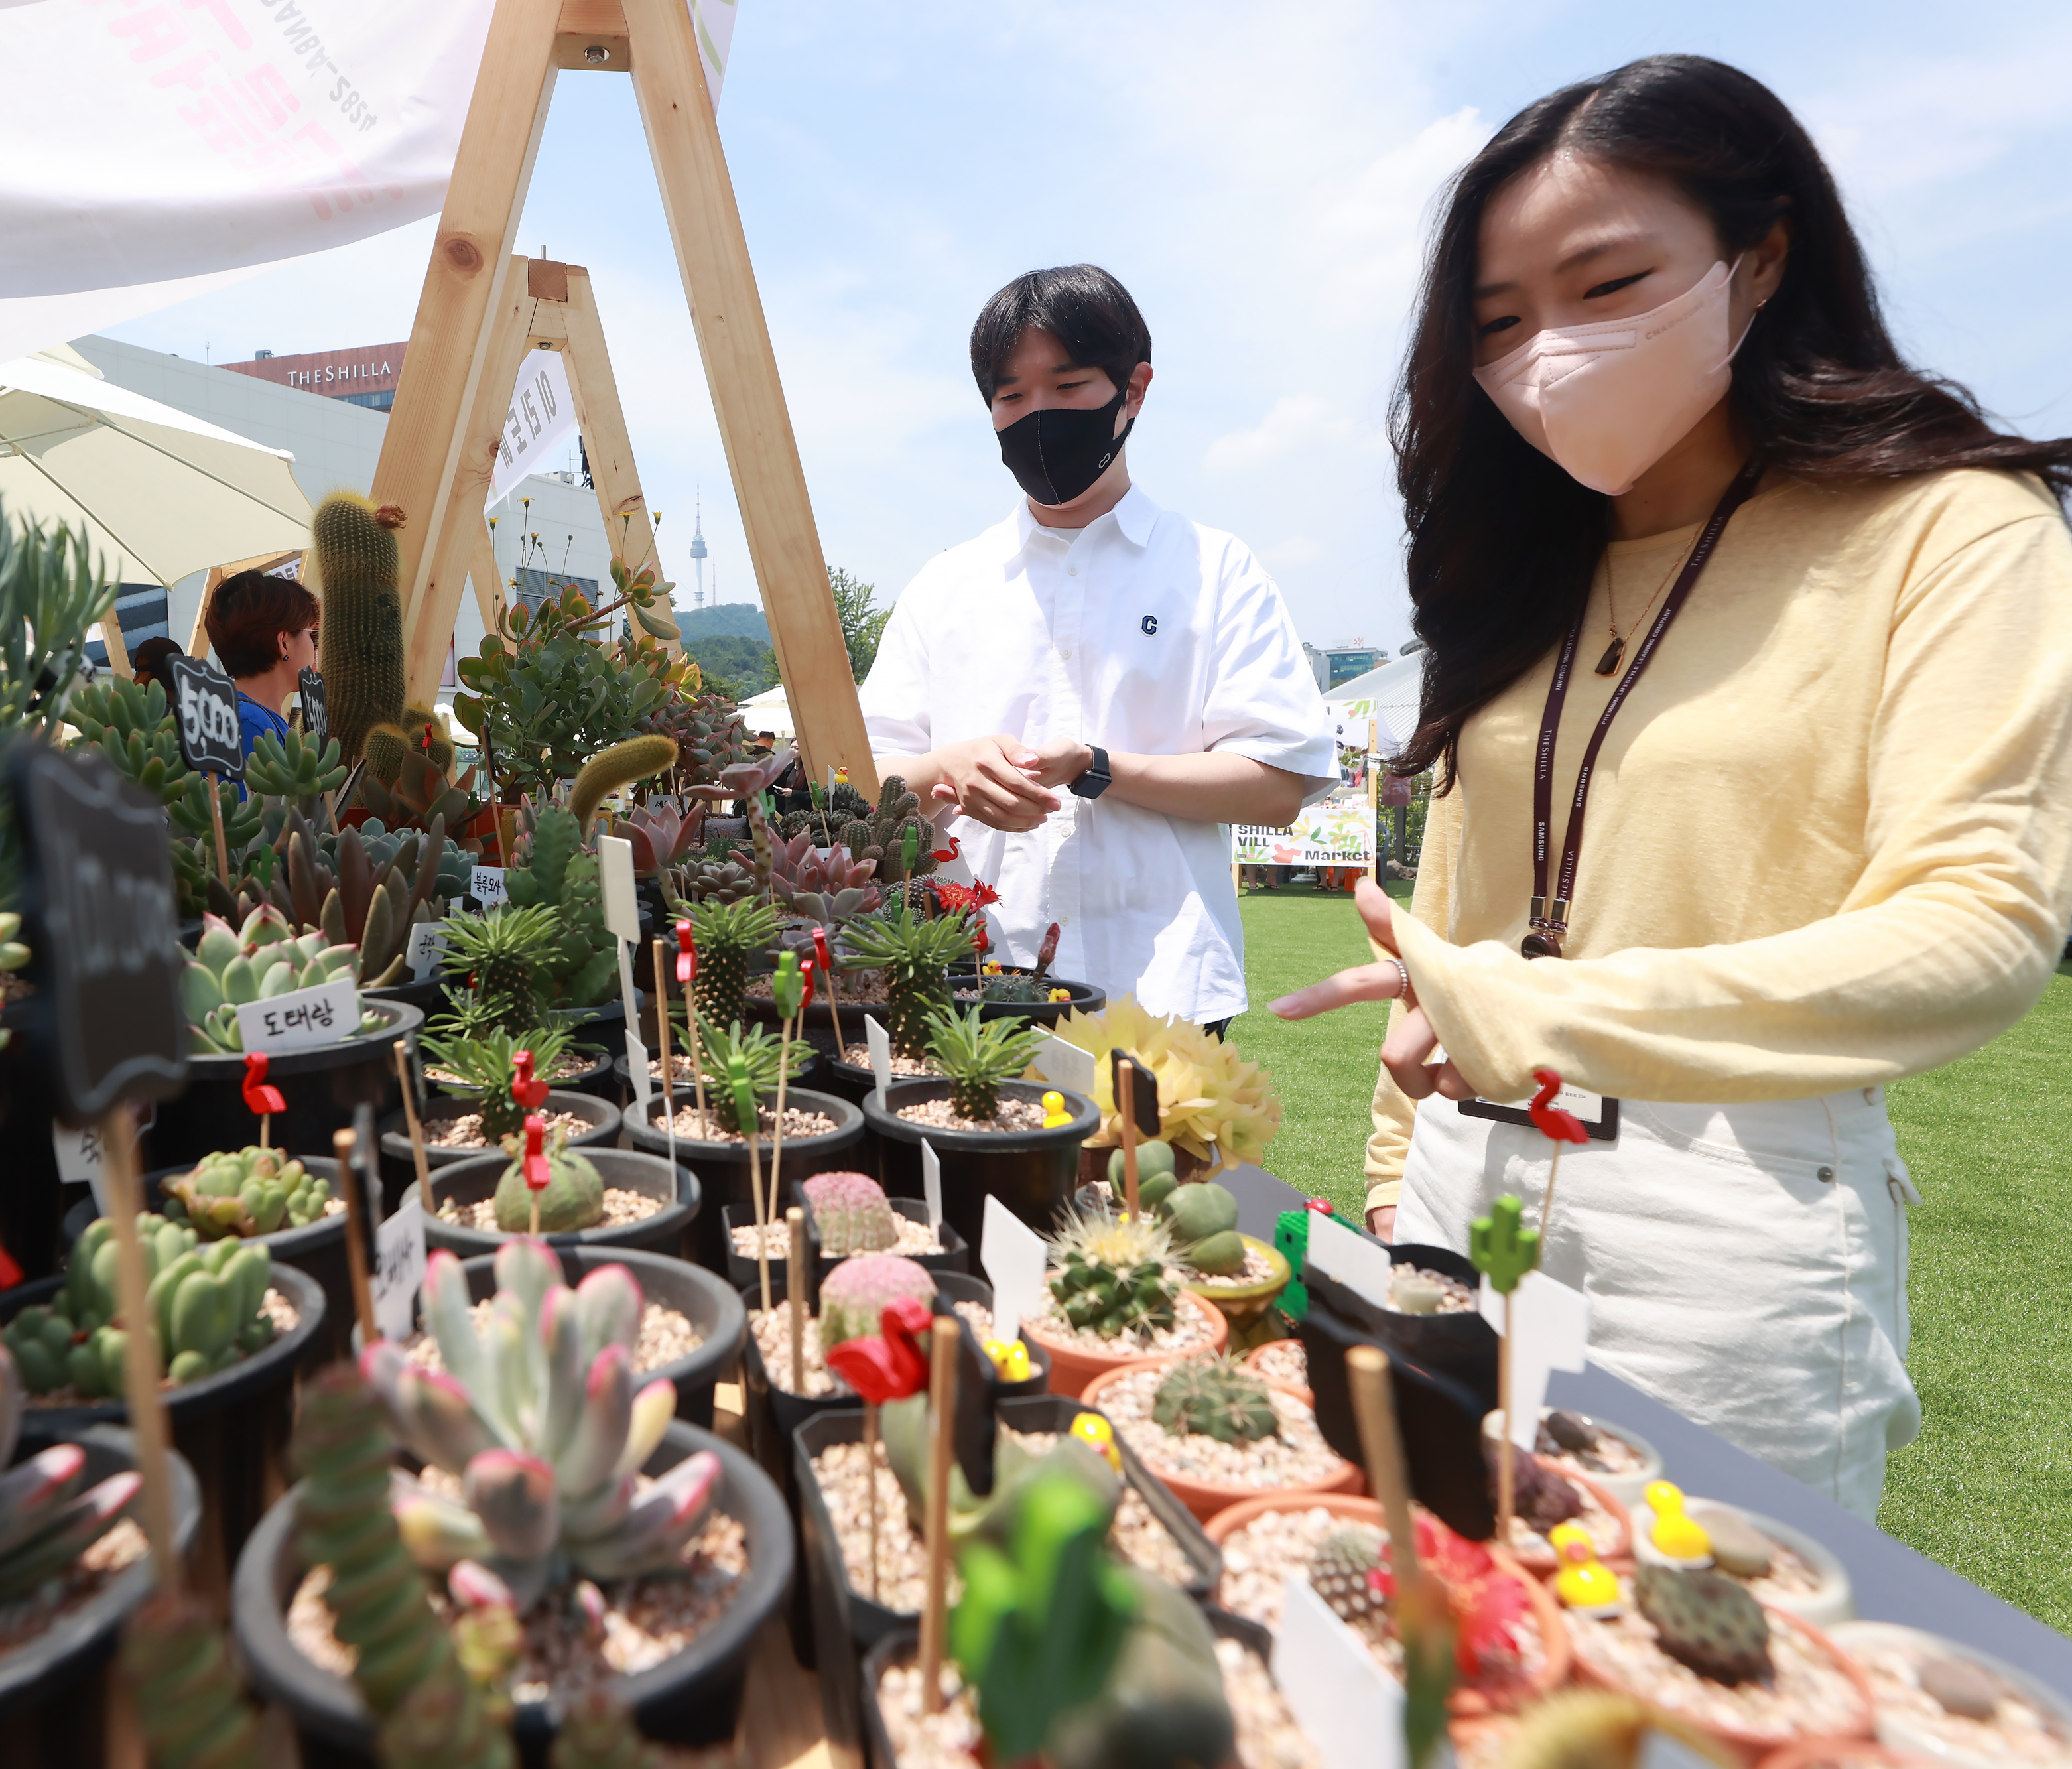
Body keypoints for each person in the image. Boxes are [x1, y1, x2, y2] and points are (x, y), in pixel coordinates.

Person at [1268, 55, 2072, 1516]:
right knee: (1427, 1601)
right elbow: (1442, 928)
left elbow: (1977, 926)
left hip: (1729, 1214)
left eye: (1606, 283)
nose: (1545, 353)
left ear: (1759, 259)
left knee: (1678, 1691)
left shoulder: (1950, 528)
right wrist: (1395, 1183)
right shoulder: (1516, 571)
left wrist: (1537, 1015)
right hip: (1460, 1174)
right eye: (1497, 322)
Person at [864, 264, 1336, 1029]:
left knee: (1153, 1159)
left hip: (1163, 990)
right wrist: (946, 768)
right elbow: (860, 783)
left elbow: (1278, 784)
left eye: (1068, 385)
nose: (1036, 415)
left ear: (1133, 391)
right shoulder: (945, 585)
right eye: (1010, 396)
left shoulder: (1213, 570)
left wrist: (1099, 768)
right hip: (966, 976)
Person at [201, 569, 320, 762]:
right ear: (284, 643)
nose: (316, 645)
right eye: (311, 634)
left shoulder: (239, 716)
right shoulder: (250, 725)